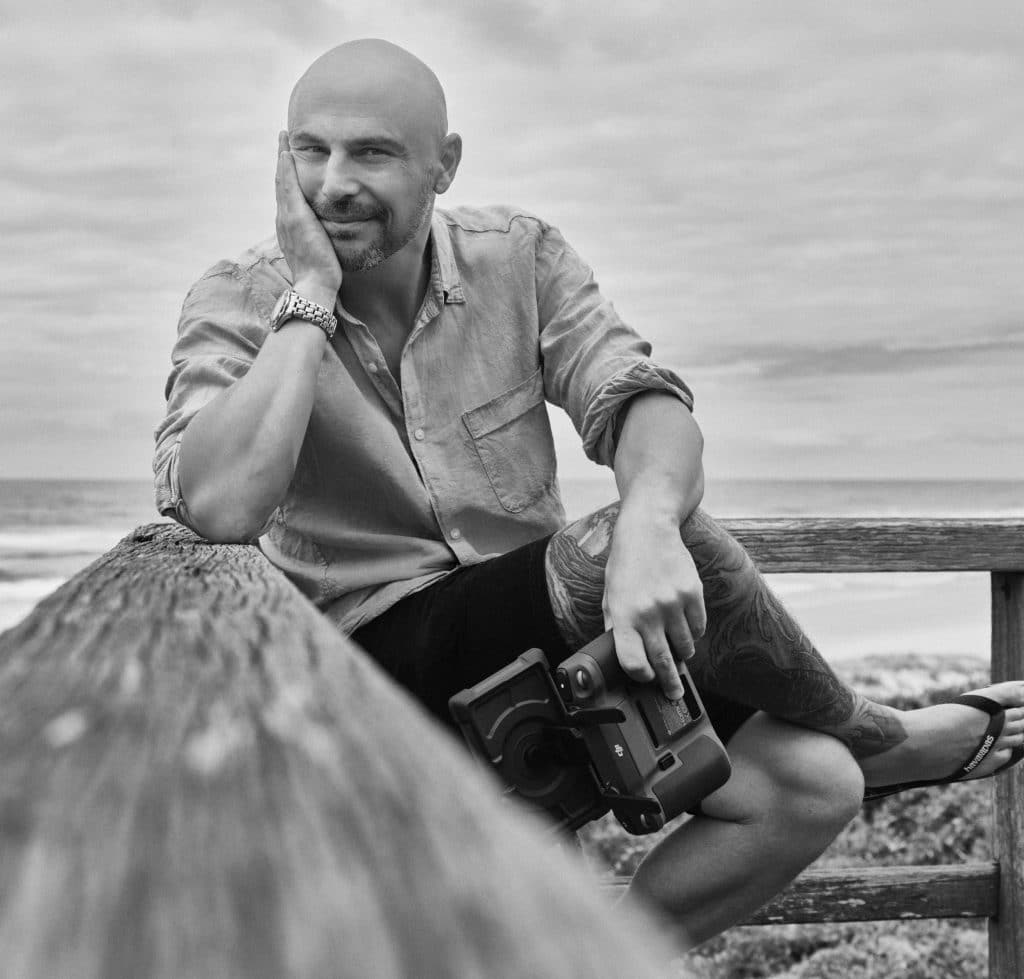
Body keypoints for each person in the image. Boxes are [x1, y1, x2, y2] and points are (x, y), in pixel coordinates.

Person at [154, 39, 1024, 944]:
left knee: (812, 786)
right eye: (310, 149)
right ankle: (879, 737)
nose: (334, 182)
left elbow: (643, 401)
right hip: (370, 662)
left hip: (547, 639)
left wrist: (651, 522)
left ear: (444, 164)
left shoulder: (519, 260)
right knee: (619, 570)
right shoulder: (238, 296)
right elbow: (221, 504)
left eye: (371, 152)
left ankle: (597, 956)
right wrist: (308, 297)